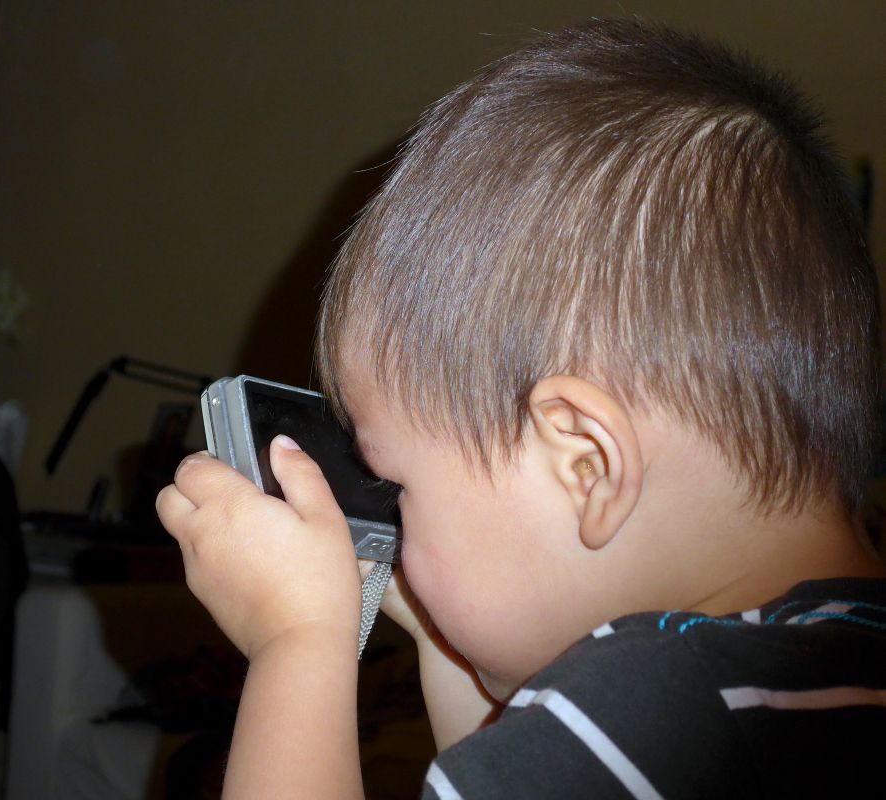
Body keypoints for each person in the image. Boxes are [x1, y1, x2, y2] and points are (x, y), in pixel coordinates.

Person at [156, 18, 886, 798]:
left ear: (585, 462)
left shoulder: (655, 712)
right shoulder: (819, 676)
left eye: (398, 486)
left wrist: (298, 642)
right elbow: (510, 759)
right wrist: (442, 631)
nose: (394, 527)